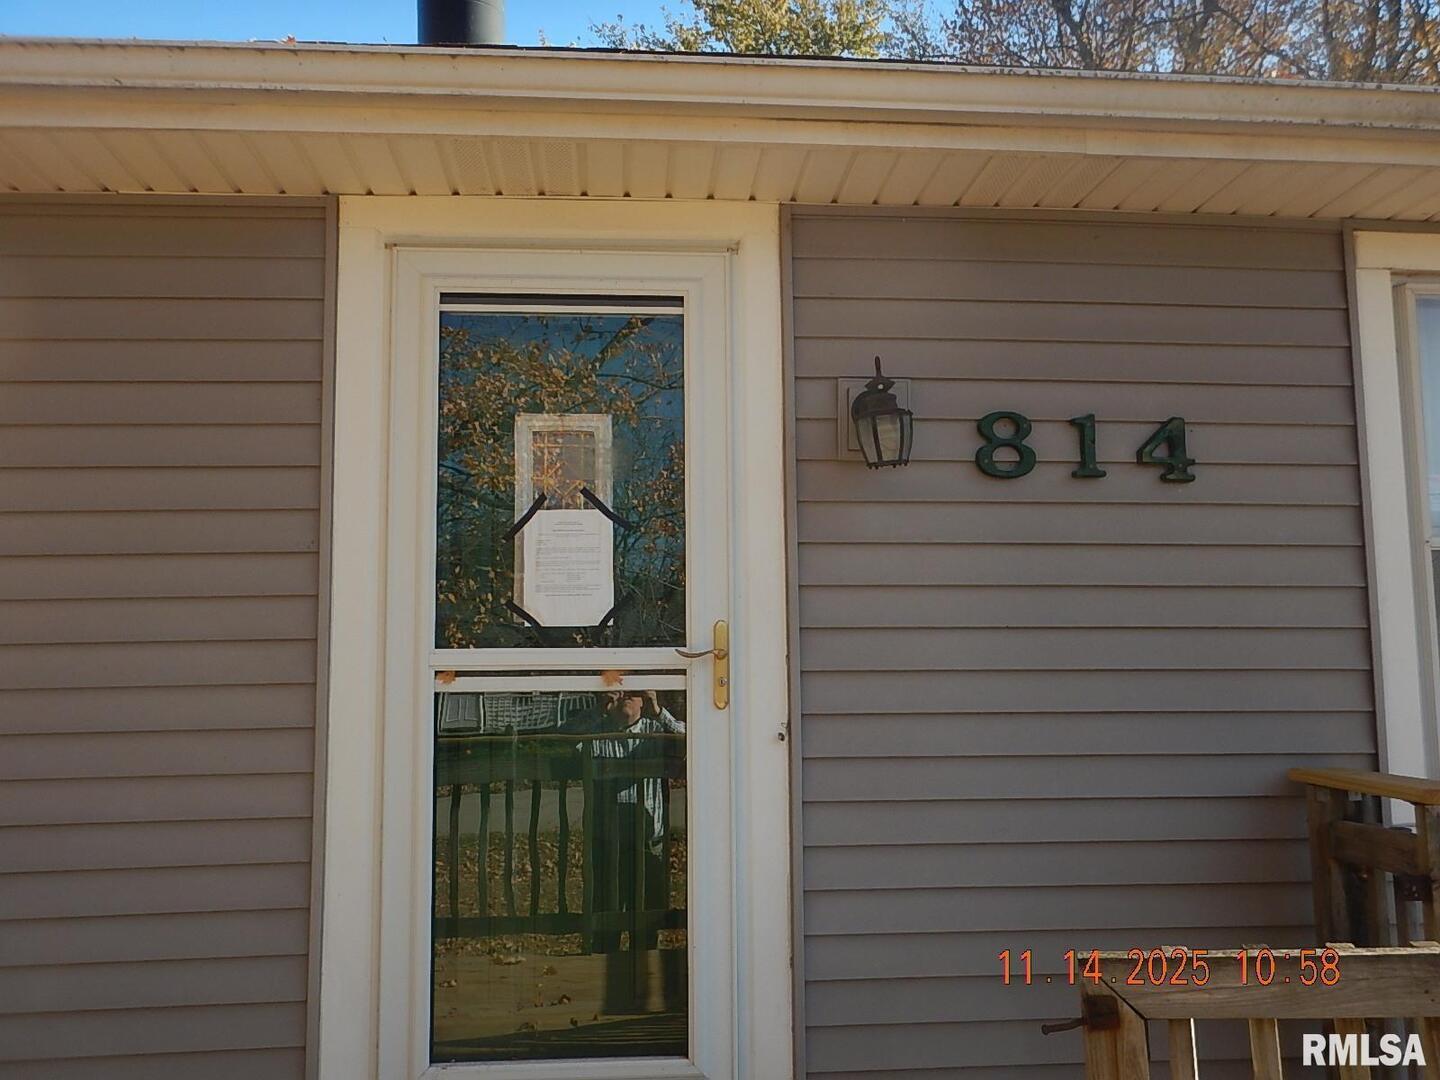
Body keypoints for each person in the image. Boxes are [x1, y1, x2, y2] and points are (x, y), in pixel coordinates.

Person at [583, 689, 685, 1012]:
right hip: (607, 843)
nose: (626, 696)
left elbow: (692, 742)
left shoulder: (654, 732)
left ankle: (643, 994)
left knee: (646, 922)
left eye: (635, 692)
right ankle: (596, 993)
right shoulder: (599, 731)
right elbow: (564, 741)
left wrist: (659, 711)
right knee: (605, 922)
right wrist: (599, 711)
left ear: (644, 700)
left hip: (647, 843)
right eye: (621, 692)